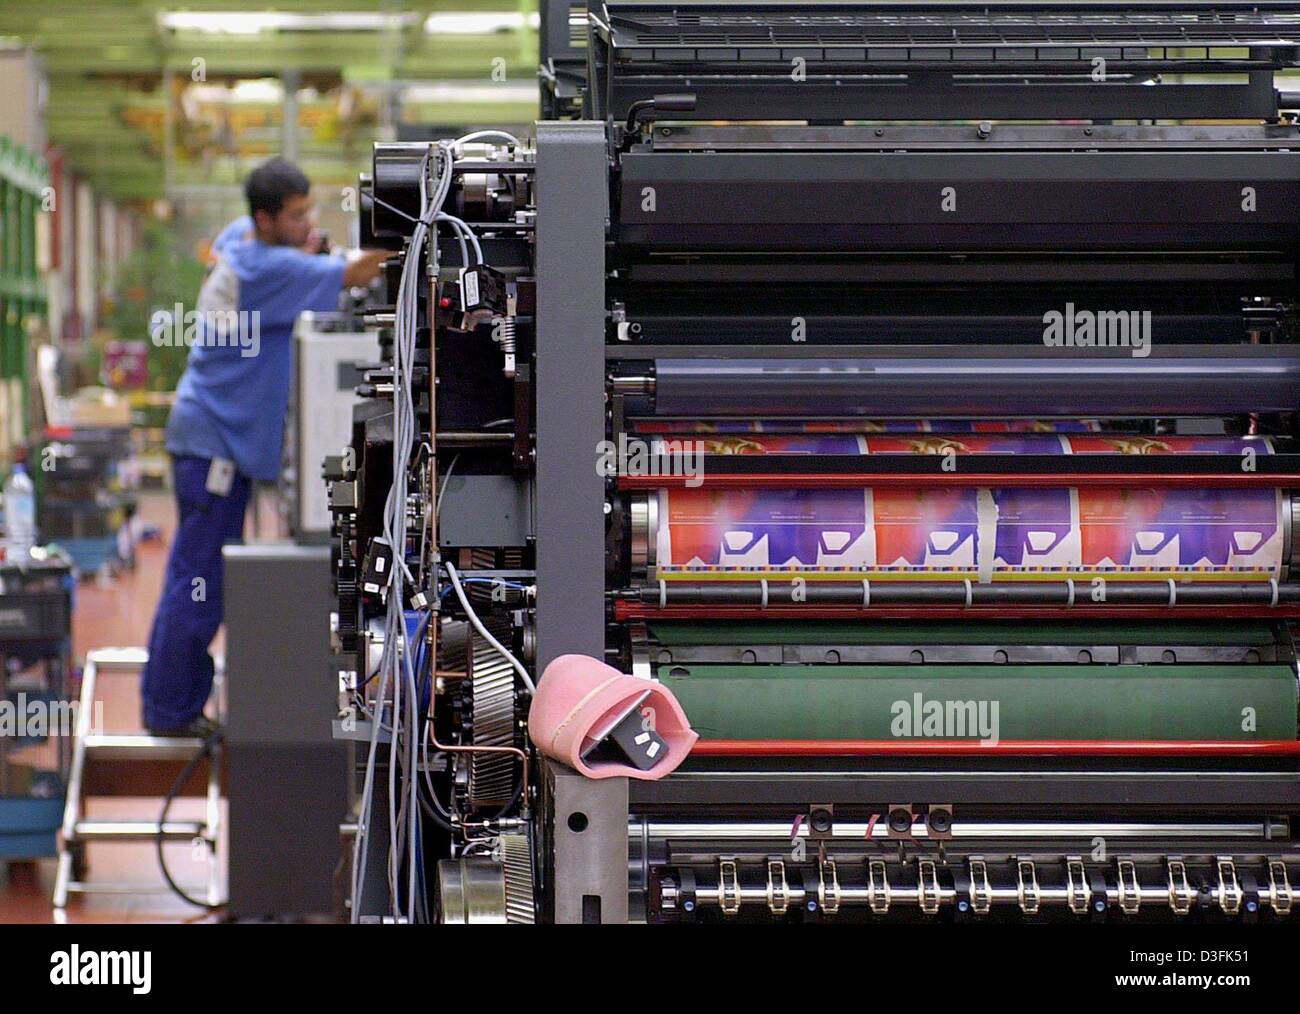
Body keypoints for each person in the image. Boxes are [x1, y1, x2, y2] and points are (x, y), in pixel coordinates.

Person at [140, 157, 388, 736]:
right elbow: (355, 274)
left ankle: (168, 703)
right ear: (265, 218)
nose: (309, 223)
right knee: (200, 582)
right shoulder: (265, 269)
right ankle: (170, 713)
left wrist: (306, 252)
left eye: (310, 212)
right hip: (214, 450)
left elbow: (300, 260)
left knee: (193, 576)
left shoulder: (239, 243)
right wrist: (416, 241)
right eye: (297, 216)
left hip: (208, 439)